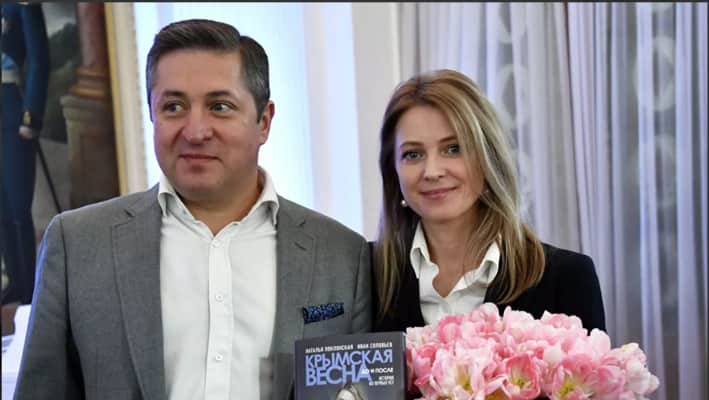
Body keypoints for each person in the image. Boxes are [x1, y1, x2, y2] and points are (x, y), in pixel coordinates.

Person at [14, 19, 371, 400]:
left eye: (220, 107)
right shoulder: (78, 245)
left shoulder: (342, 256)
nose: (196, 131)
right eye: (174, 107)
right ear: (152, 115)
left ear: (264, 122)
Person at [372, 69, 605, 334]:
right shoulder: (363, 278)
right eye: (413, 154)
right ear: (393, 169)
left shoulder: (567, 278)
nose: (432, 171)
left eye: (453, 149)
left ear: (488, 158)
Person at [1, 2, 49, 305]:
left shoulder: (21, 5)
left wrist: (31, 114)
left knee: (18, 206)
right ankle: (16, 283)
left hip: (11, 109)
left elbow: (39, 59)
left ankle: (31, 288)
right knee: (1, 209)